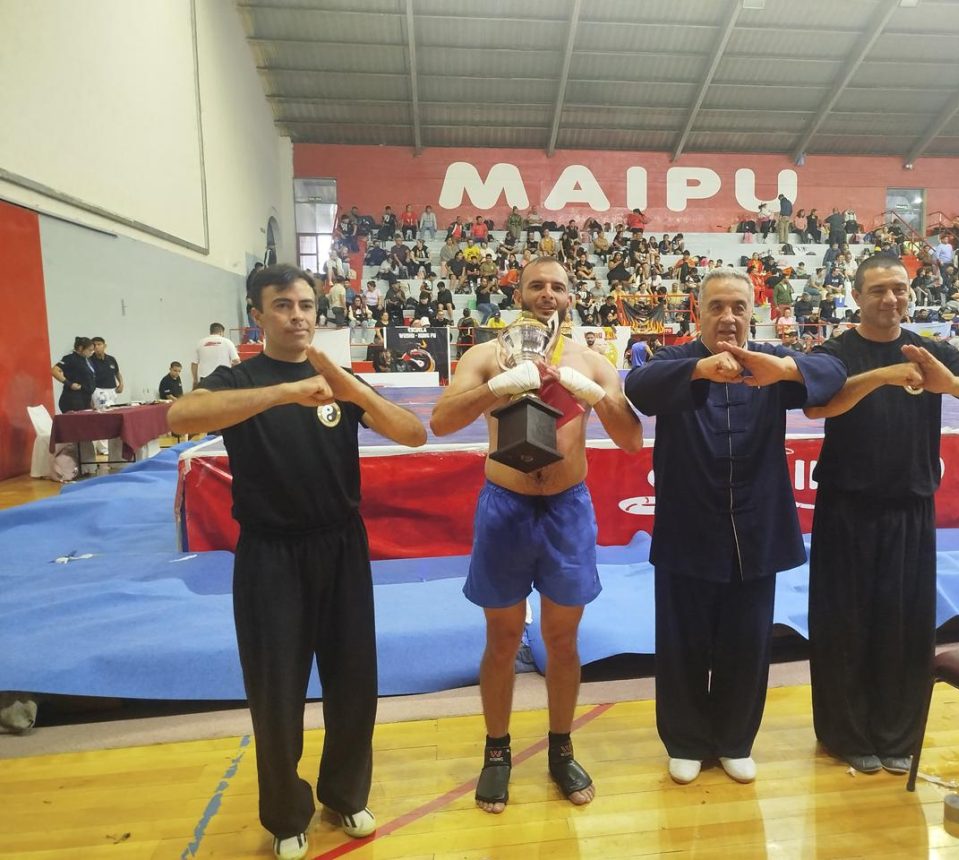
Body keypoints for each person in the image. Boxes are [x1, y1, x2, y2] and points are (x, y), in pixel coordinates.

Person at [167, 265, 426, 860]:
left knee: (355, 681)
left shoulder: (336, 378)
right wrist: (284, 392)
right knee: (277, 691)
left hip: (341, 546)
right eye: (282, 305)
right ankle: (286, 814)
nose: (299, 315)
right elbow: (180, 419)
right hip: (270, 553)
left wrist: (350, 388)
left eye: (306, 304)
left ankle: (344, 791)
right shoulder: (239, 377)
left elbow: (413, 434)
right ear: (258, 316)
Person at [428, 257, 643, 815]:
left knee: (564, 640)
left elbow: (630, 441)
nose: (548, 294)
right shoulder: (483, 355)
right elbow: (442, 421)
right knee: (501, 639)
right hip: (506, 508)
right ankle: (496, 752)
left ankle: (560, 748)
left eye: (558, 287)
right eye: (537, 285)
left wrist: (594, 394)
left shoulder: (593, 362)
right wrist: (495, 387)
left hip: (567, 510)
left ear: (572, 297)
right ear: (519, 293)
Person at [624, 269, 845, 784]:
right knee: (682, 642)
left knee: (747, 643)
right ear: (697, 312)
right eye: (717, 306)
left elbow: (833, 371)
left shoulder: (769, 362)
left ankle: (734, 740)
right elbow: (638, 386)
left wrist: (786, 371)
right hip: (688, 526)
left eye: (739, 307)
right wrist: (701, 371)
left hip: (757, 527)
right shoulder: (676, 360)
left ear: (753, 312)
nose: (728, 317)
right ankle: (684, 740)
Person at [805, 254, 959, 775]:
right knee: (843, 625)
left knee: (906, 627)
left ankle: (897, 734)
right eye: (878, 290)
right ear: (856, 296)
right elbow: (815, 406)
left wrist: (950, 384)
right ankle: (845, 734)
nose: (890, 299)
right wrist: (883, 376)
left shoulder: (933, 352)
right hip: (846, 508)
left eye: (899, 288)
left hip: (911, 507)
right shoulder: (836, 352)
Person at [51, 336, 97, 413]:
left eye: (92, 350)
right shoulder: (70, 358)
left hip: (86, 398)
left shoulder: (87, 360)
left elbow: (89, 381)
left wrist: (92, 401)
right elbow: (54, 371)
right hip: (73, 398)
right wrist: (69, 384)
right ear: (80, 348)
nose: (92, 352)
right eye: (90, 350)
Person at [192, 323, 239, 389]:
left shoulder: (200, 343)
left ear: (211, 331)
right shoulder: (227, 342)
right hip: (223, 378)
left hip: (205, 378)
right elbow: (236, 361)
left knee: (208, 398)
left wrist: (195, 380)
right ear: (221, 332)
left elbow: (194, 364)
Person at [89, 337, 124, 408]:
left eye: (99, 344)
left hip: (112, 389)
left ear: (104, 346)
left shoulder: (111, 359)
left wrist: (121, 383)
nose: (97, 347)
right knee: (102, 410)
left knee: (112, 409)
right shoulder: (89, 360)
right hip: (98, 390)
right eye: (94, 345)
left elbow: (117, 372)